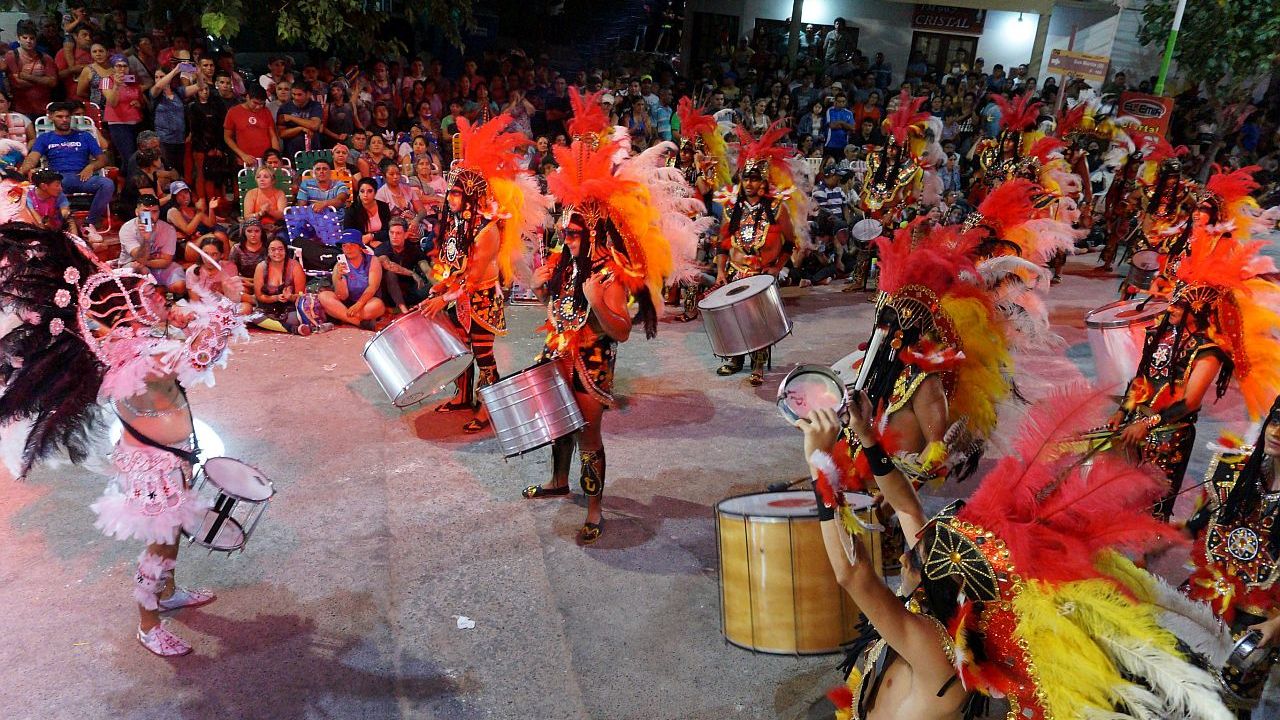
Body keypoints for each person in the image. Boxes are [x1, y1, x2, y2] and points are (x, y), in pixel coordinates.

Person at [796, 388, 1233, 720]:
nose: (917, 545)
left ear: (943, 583)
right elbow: (909, 507)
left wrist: (820, 466)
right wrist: (870, 442)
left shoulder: (937, 652)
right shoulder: (938, 604)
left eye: (927, 550)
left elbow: (854, 577)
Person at [0, 222, 248, 657]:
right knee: (160, 540)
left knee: (170, 534)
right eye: (151, 295)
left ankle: (167, 593)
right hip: (154, 466)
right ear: (131, 308)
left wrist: (195, 301)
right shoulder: (140, 353)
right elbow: (203, 351)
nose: (160, 298)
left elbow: (188, 348)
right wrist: (221, 297)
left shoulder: (133, 343)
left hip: (169, 457)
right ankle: (148, 625)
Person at [519, 89, 692, 544]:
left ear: (593, 231)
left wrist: (598, 302)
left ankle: (595, 509)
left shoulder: (608, 273)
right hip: (556, 347)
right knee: (557, 421)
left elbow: (621, 333)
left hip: (592, 361)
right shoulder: (562, 260)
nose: (564, 234)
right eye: (565, 227)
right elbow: (557, 310)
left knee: (588, 435)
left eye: (573, 230)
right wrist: (541, 292)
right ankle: (559, 482)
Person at [1106, 230, 1280, 520]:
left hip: (1169, 435)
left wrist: (1147, 424)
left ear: (1197, 308)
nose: (1170, 308)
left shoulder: (1207, 353)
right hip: (1137, 426)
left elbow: (1189, 402)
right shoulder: (1158, 336)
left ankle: (1144, 558)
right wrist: (1122, 412)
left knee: (1153, 506)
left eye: (1178, 304)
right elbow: (1141, 380)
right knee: (1119, 494)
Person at [421, 114, 544, 433]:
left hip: (483, 298)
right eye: (451, 192)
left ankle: (489, 408)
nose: (451, 198)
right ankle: (463, 397)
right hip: (462, 295)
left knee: (482, 352)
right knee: (461, 346)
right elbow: (452, 263)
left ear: (472, 196)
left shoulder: (487, 230)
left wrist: (444, 296)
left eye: (457, 193)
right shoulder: (460, 223)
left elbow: (473, 277)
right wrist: (440, 286)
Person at [1183, 397, 1280, 717]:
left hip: (1256, 625)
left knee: (1223, 709)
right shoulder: (1235, 472)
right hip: (1206, 599)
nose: (1277, 431)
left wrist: (1277, 625)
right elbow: (1196, 525)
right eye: (1276, 420)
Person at [714, 122, 800, 386]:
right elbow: (723, 243)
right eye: (746, 178)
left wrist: (777, 268)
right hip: (735, 272)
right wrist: (719, 271)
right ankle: (736, 359)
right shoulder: (731, 207)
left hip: (762, 275)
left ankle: (759, 364)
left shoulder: (777, 208)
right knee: (734, 318)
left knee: (758, 321)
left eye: (755, 179)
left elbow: (790, 242)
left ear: (764, 180)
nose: (749, 184)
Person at [19, 101, 113, 231]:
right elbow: (32, 158)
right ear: (50, 117)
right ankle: (54, 224)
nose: (64, 120)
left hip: (81, 177)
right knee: (41, 186)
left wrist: (91, 167)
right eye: (60, 116)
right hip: (57, 180)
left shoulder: (84, 136)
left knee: (107, 184)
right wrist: (20, 173)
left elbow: (103, 159)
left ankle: (90, 222)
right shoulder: (45, 138)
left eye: (67, 116)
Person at [316, 229, 384, 329]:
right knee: (323, 296)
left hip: (366, 302)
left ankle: (341, 316)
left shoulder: (372, 261)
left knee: (378, 305)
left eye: (352, 244)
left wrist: (359, 304)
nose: (348, 248)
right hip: (346, 304)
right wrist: (338, 277)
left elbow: (373, 287)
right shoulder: (339, 266)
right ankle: (359, 323)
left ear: (360, 247)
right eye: (344, 246)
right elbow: (342, 296)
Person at [119, 194, 186, 296]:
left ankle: (165, 295)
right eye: (145, 211)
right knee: (142, 269)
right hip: (131, 266)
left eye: (154, 212)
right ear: (137, 212)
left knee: (179, 283)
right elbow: (140, 259)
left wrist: (144, 261)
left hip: (153, 266)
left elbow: (166, 262)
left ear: (159, 212)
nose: (150, 216)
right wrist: (146, 239)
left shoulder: (168, 230)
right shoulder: (127, 229)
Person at [253, 236, 310, 333]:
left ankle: (281, 326)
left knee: (294, 319)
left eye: (280, 249)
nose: (277, 253)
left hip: (290, 308)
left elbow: (300, 295)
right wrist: (276, 298)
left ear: (285, 251)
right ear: (268, 251)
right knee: (255, 317)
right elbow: (259, 296)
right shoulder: (261, 267)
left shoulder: (295, 266)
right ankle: (293, 330)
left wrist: (290, 297)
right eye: (273, 250)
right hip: (268, 307)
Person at [6, 22, 57, 117]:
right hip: (20, 109)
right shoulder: (11, 56)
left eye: (32, 38)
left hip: (43, 108)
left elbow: (53, 82)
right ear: (18, 38)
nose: (28, 41)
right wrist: (42, 81)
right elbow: (17, 83)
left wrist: (26, 76)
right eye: (25, 38)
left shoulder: (46, 58)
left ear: (36, 39)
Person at [101, 54, 145, 165]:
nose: (122, 69)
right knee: (129, 156)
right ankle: (127, 180)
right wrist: (116, 85)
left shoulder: (133, 81)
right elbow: (112, 102)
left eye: (125, 66)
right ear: (113, 68)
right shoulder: (107, 80)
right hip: (118, 123)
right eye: (118, 66)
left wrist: (139, 104)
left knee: (138, 156)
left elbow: (142, 102)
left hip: (135, 123)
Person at [379, 218, 429, 314]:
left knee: (430, 285)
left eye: (398, 233)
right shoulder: (382, 248)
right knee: (390, 274)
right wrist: (412, 273)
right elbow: (389, 265)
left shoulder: (412, 248)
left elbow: (425, 268)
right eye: (391, 233)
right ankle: (403, 311)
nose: (394, 236)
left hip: (409, 291)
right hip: (388, 294)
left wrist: (437, 285)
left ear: (406, 235)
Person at [166, 180, 223, 264]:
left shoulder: (193, 210)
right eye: (179, 194)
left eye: (186, 193)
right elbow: (188, 230)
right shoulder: (172, 211)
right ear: (174, 197)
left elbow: (211, 224)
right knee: (211, 238)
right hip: (182, 247)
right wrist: (200, 213)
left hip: (194, 242)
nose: (184, 196)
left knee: (221, 235)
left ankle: (226, 263)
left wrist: (211, 208)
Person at [223, 85, 279, 167]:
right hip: (245, 160)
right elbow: (227, 137)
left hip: (266, 160)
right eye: (255, 103)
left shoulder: (266, 111)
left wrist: (275, 156)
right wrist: (242, 155)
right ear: (247, 97)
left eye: (261, 104)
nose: (258, 107)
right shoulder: (233, 112)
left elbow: (273, 135)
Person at [344, 176, 392, 256]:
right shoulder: (352, 210)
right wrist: (367, 243)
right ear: (358, 193)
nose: (365, 195)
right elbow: (349, 234)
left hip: (381, 241)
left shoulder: (383, 206)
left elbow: (388, 230)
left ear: (375, 193)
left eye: (369, 191)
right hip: (359, 244)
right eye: (362, 191)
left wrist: (372, 236)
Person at [19, 168, 74, 233]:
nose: (61, 189)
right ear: (43, 186)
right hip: (35, 230)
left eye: (60, 185)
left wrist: (65, 215)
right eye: (57, 185)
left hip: (55, 229)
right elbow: (37, 220)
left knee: (70, 220)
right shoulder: (28, 195)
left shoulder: (59, 195)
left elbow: (65, 211)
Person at [277, 83, 323, 158]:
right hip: (291, 153)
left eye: (299, 94)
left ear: (308, 94)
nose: (296, 97)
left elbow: (314, 125)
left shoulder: (315, 105)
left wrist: (291, 118)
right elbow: (281, 134)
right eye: (293, 94)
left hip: (313, 152)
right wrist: (300, 129)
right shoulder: (284, 108)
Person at [242, 165, 287, 230]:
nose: (261, 179)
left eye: (266, 177)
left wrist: (270, 211)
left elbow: (282, 215)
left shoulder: (280, 194)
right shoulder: (251, 193)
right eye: (258, 177)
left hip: (276, 227)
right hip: (256, 227)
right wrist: (260, 213)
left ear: (273, 180)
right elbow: (247, 217)